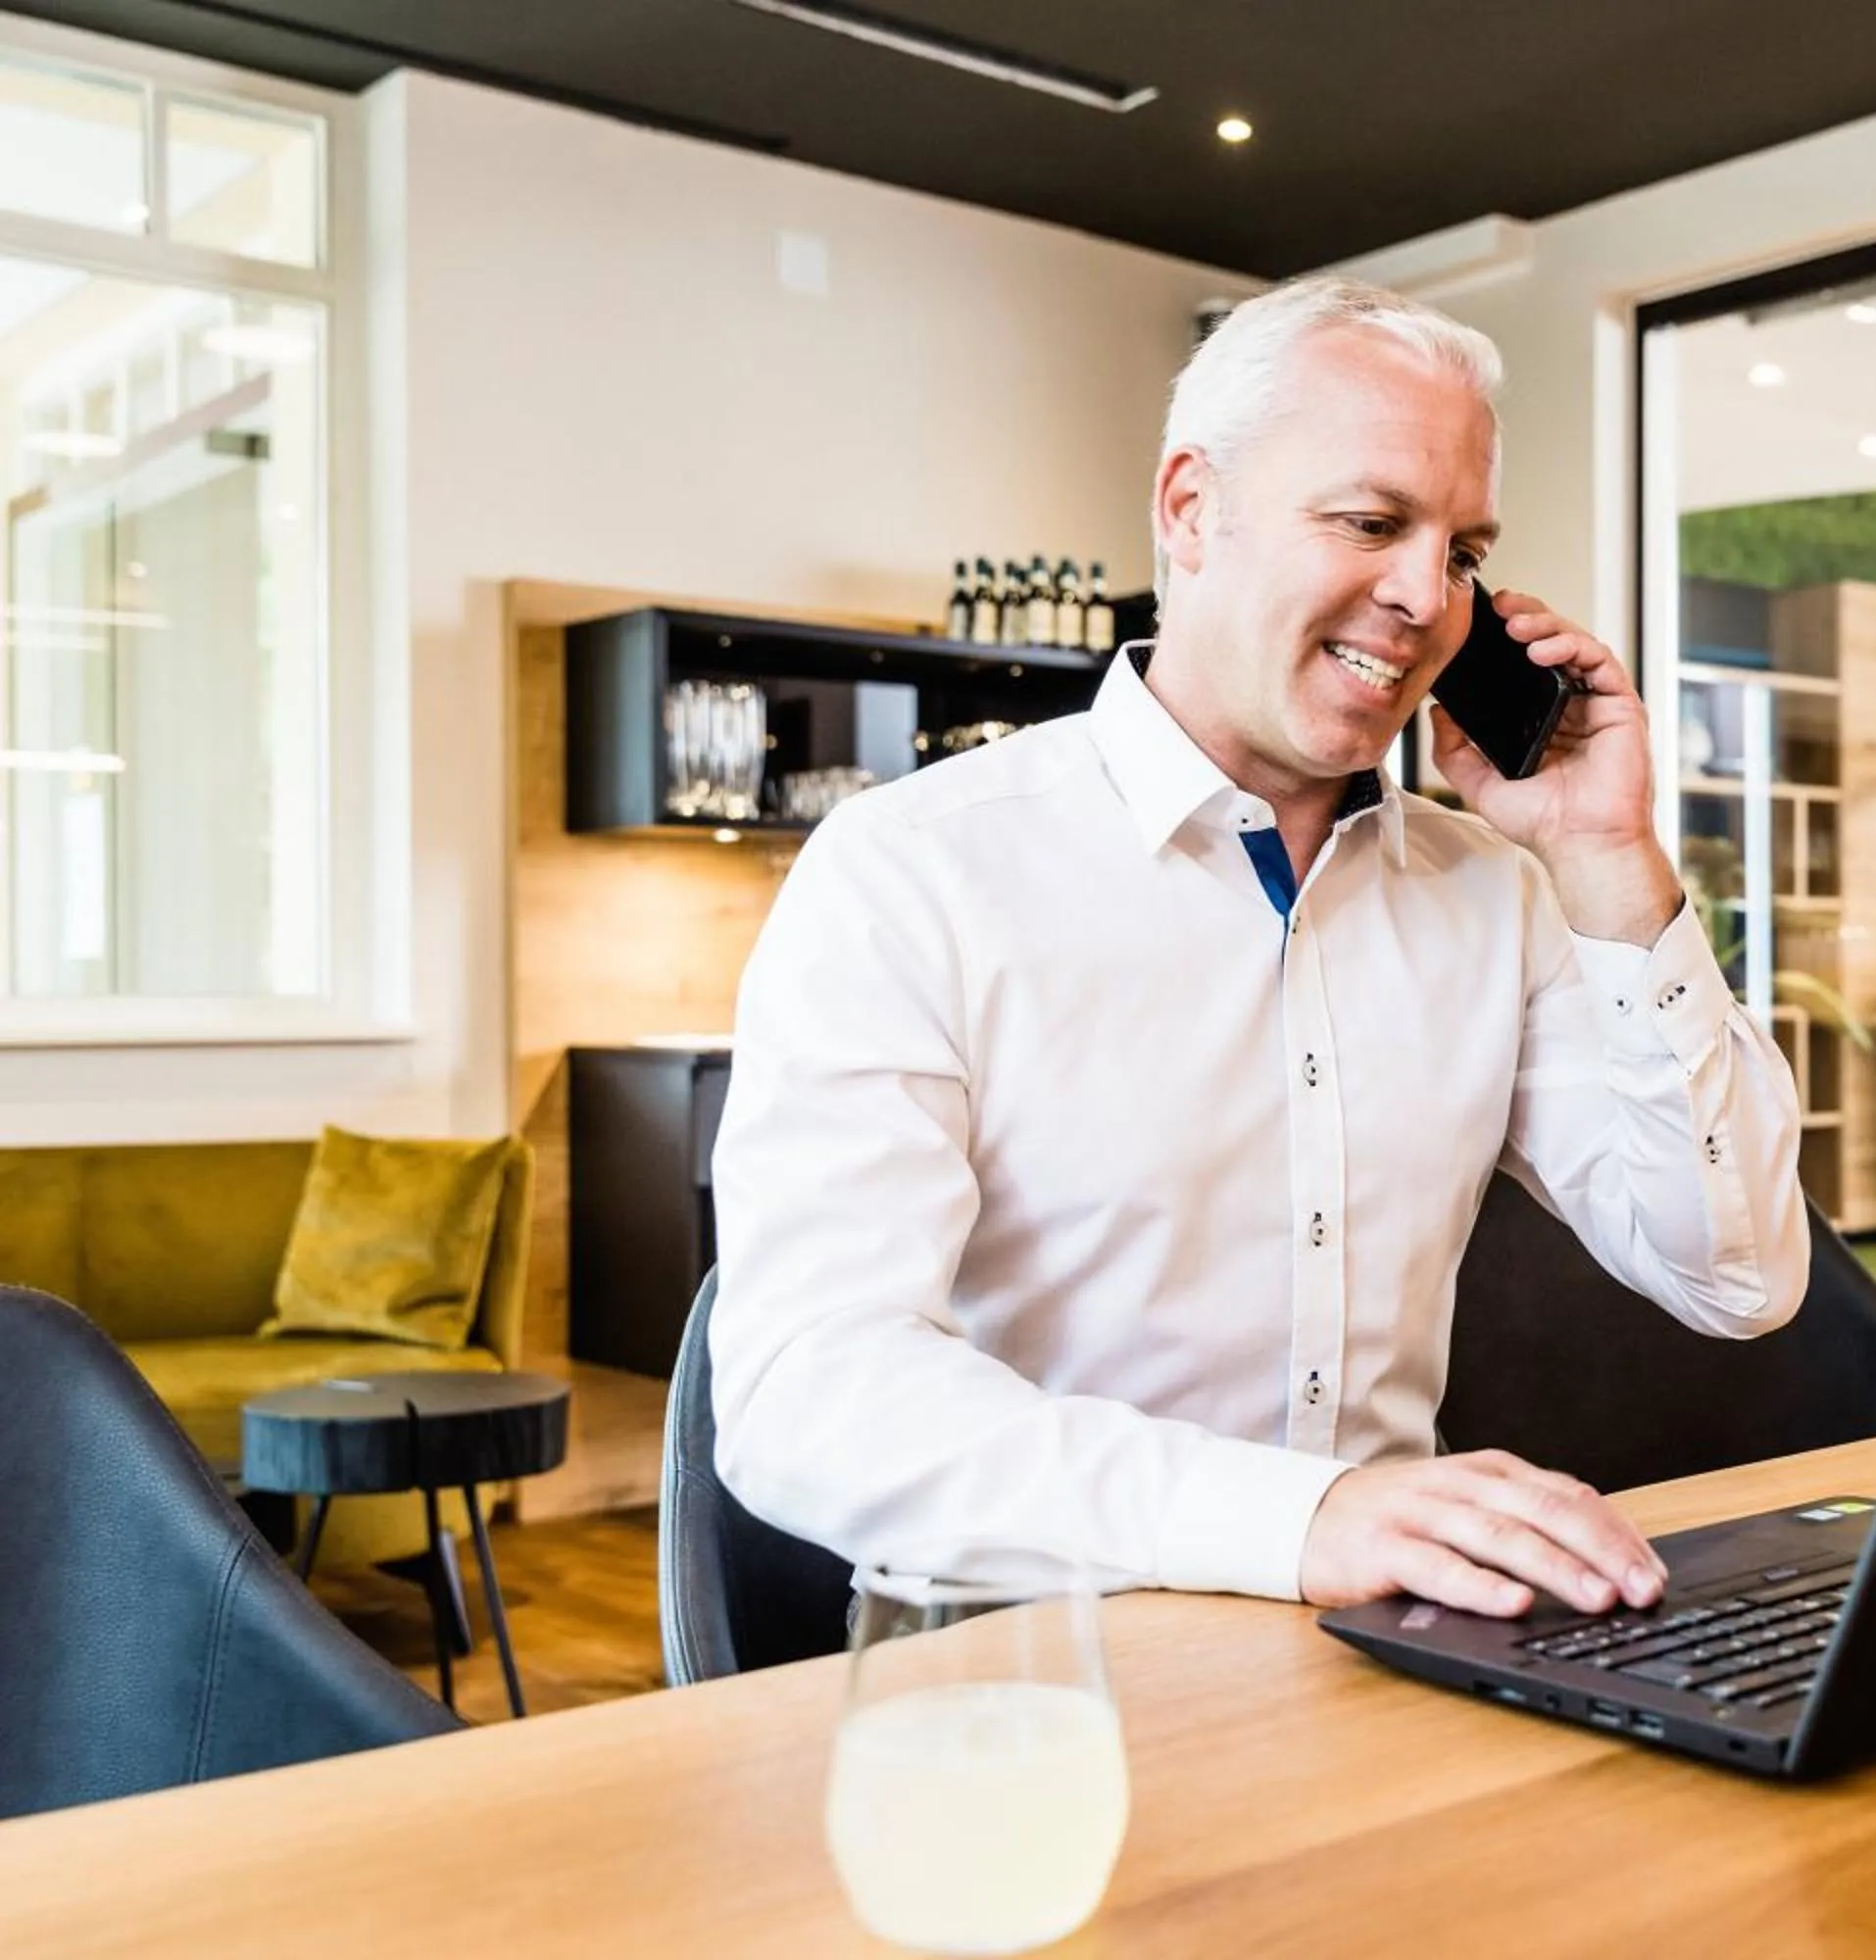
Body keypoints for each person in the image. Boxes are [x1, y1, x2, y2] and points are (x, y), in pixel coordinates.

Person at [710, 276, 1809, 1624]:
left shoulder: (1493, 896)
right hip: (1031, 1681)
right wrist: (1302, 1521)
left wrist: (1610, 860)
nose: (1424, 597)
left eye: (1463, 552)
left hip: (1397, 1652)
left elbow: (1739, 1277)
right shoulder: (912, 874)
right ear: (1190, 509)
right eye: (1370, 522)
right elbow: (805, 1391)